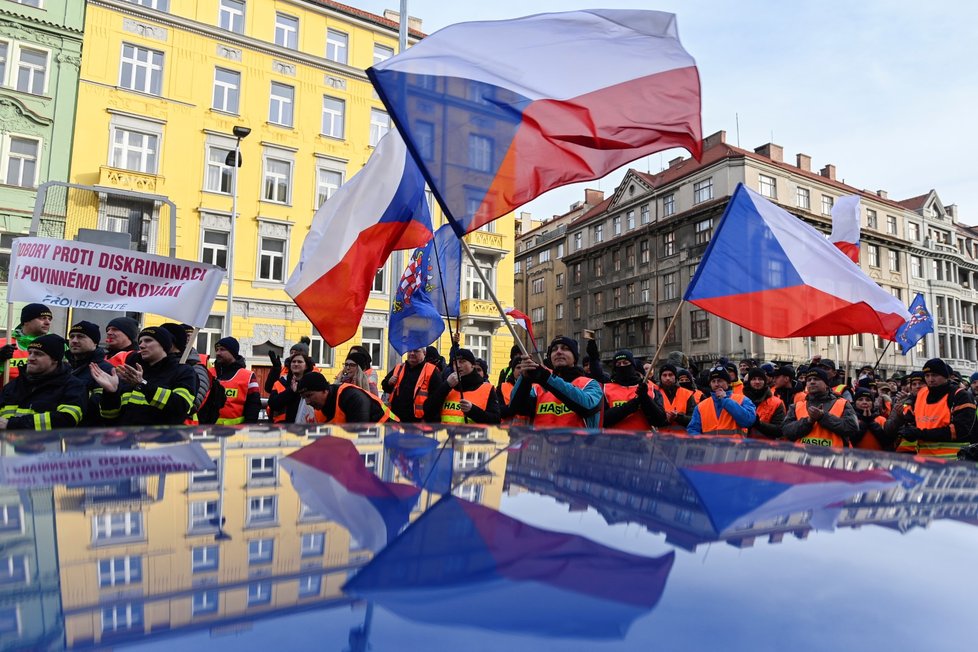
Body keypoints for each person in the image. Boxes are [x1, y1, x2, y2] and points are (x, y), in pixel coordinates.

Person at [90, 326, 196, 425]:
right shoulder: (132, 372)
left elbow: (181, 406)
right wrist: (111, 393)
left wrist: (143, 385)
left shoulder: (183, 371)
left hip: (163, 441)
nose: (141, 345)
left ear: (164, 344)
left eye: (148, 340)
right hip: (129, 441)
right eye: (140, 341)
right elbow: (109, 416)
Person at [509, 336, 603, 428]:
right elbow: (516, 408)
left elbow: (588, 407)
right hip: (544, 443)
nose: (558, 352)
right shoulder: (538, 388)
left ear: (574, 358)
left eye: (565, 348)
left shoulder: (590, 384)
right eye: (554, 349)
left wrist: (546, 377)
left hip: (578, 443)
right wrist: (525, 379)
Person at [0, 334, 87, 430]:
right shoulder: (13, 385)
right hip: (7, 444)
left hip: (49, 444)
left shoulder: (73, 386)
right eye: (30, 353)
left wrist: (12, 424)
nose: (30, 358)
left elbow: (67, 418)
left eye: (38, 354)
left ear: (55, 359)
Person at [896, 358, 977, 458]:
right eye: (927, 375)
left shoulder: (960, 395)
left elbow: (961, 430)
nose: (930, 379)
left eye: (934, 375)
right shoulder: (921, 394)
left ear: (945, 377)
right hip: (924, 460)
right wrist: (907, 427)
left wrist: (920, 434)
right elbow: (918, 421)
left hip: (953, 462)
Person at [159, 322, 220, 425]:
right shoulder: (159, 364)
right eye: (186, 336)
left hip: (184, 426)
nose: (188, 339)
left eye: (191, 336)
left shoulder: (196, 366)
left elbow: (193, 403)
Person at [781, 368, 858, 448]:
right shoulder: (797, 406)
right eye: (809, 380)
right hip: (803, 457)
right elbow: (786, 431)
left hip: (833, 457)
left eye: (816, 379)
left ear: (826, 384)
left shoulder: (842, 403)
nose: (812, 382)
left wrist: (823, 417)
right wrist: (808, 421)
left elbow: (852, 428)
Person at [424, 348, 500, 424]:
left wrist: (473, 410)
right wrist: (446, 386)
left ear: (473, 365)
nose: (458, 366)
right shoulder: (449, 386)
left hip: (475, 435)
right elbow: (428, 410)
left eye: (462, 362)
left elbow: (495, 420)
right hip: (448, 434)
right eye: (454, 363)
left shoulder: (486, 389)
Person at [602, 350, 666, 430]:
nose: (622, 366)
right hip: (616, 440)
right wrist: (629, 407)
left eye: (625, 363)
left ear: (633, 365)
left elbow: (660, 420)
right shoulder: (606, 389)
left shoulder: (650, 388)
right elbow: (602, 420)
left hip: (643, 440)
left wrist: (645, 398)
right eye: (618, 364)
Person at [66, 321, 114, 427]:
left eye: (80, 337)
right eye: (72, 336)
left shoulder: (104, 369)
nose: (74, 341)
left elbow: (98, 405)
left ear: (95, 343)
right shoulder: (64, 368)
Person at [297, 372, 395, 423]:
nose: (307, 402)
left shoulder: (352, 397)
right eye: (304, 397)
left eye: (309, 395)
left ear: (324, 390)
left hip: (390, 433)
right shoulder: (318, 410)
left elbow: (359, 435)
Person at [687, 365, 756, 436]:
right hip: (710, 447)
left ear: (728, 382)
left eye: (720, 381)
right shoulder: (701, 406)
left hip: (736, 446)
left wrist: (725, 400)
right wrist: (703, 444)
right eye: (713, 381)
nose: (716, 384)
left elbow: (748, 421)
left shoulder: (743, 400)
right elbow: (693, 429)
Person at [382, 346, 442, 423]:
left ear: (424, 353)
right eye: (410, 351)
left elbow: (437, 399)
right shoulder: (399, 368)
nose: (412, 353)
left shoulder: (432, 371)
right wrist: (389, 383)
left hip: (419, 422)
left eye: (416, 351)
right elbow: (385, 387)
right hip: (396, 420)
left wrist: (428, 420)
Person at [210, 337, 261, 425]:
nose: (218, 353)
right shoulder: (209, 373)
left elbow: (254, 404)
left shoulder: (248, 376)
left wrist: (248, 427)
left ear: (233, 353)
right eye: (217, 350)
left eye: (222, 349)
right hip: (207, 432)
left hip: (235, 433)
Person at [0, 303, 53, 383]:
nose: (47, 322)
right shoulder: (3, 344)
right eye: (42, 318)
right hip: (8, 394)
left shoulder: (57, 344)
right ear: (26, 321)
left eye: (49, 319)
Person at [884, 370, 926, 454]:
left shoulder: (934, 402)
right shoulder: (903, 403)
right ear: (910, 388)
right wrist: (899, 418)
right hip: (905, 453)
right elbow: (888, 430)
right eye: (914, 384)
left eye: (921, 383)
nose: (917, 386)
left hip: (927, 452)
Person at [267, 353, 314, 423]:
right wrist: (291, 391)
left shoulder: (312, 382)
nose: (296, 364)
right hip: (282, 427)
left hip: (305, 427)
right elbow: (273, 404)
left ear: (306, 366)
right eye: (293, 362)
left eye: (299, 362)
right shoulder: (280, 382)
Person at [743, 367, 785, 439]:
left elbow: (780, 430)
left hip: (764, 447)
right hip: (741, 446)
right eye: (754, 379)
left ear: (765, 381)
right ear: (749, 381)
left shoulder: (776, 403)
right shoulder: (740, 400)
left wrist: (758, 424)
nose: (757, 382)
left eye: (760, 379)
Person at [658, 363, 696, 433]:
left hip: (682, 440)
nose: (668, 378)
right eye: (664, 375)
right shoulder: (655, 393)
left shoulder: (687, 394)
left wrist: (678, 417)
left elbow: (694, 419)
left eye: (670, 375)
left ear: (675, 377)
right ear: (660, 377)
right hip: (660, 440)